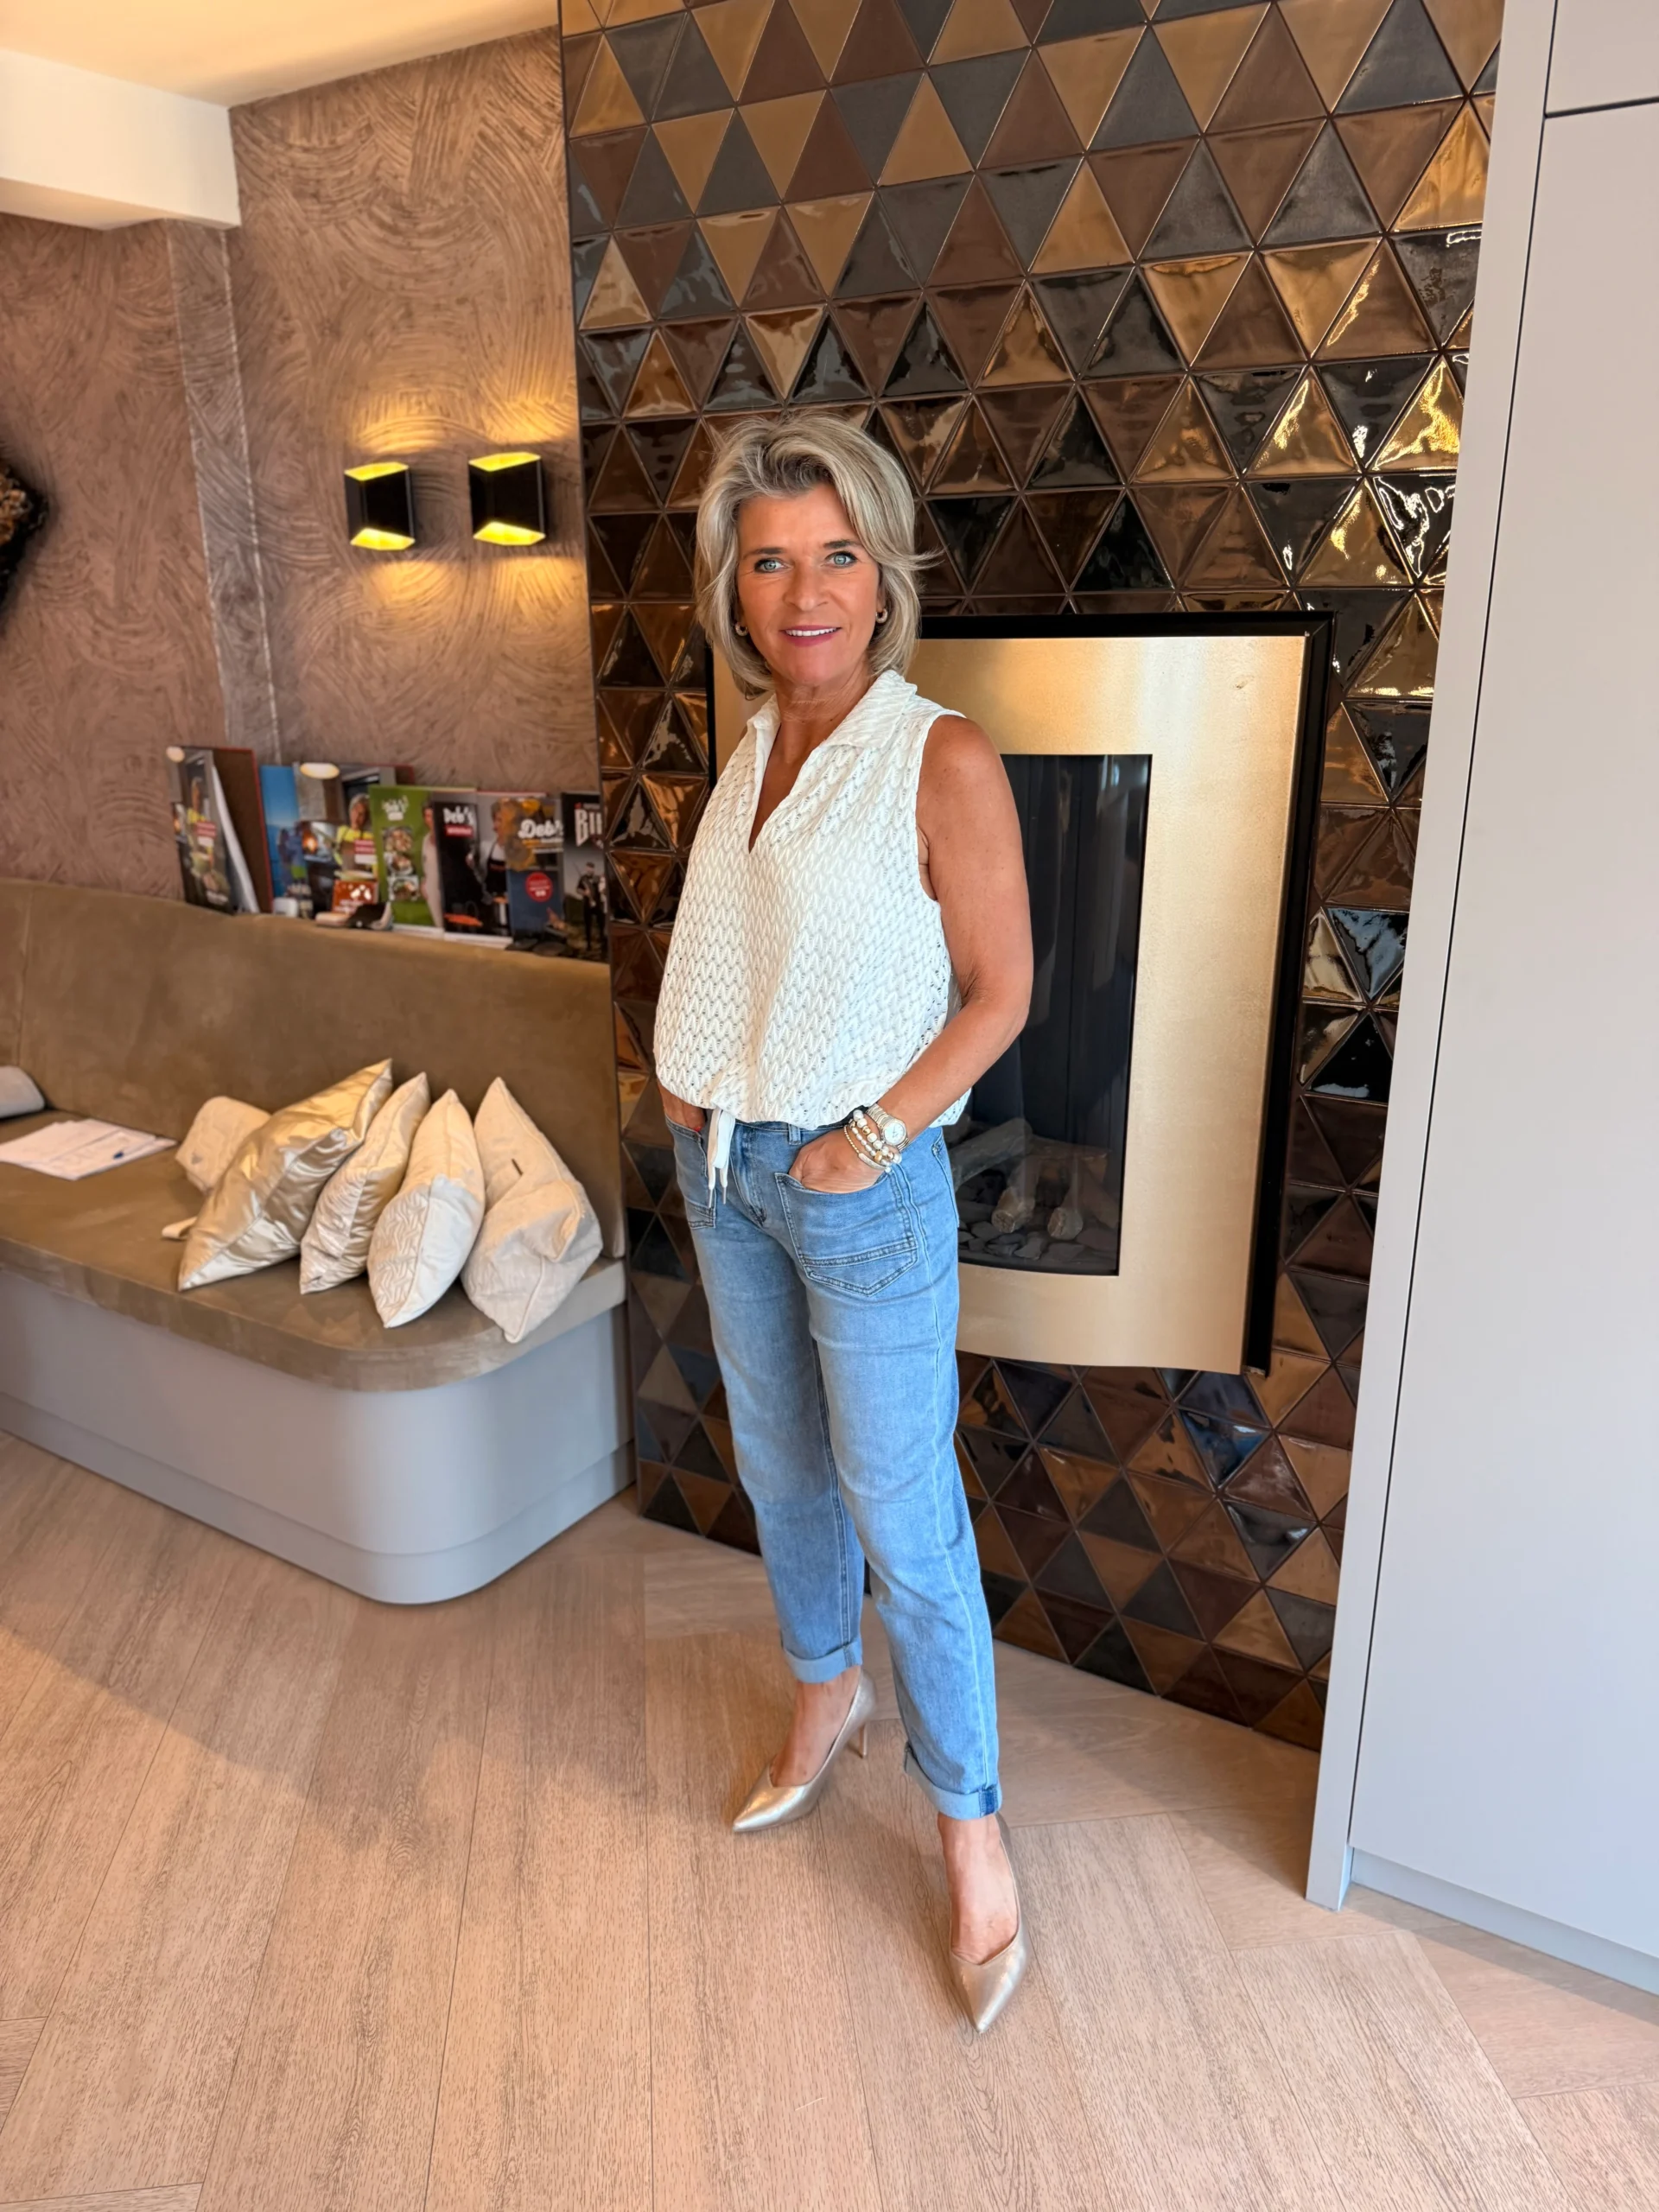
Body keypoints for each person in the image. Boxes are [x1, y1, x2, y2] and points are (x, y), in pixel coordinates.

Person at [653, 417, 1034, 2032]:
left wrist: (872, 1137)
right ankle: (827, 1694)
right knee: (783, 1471)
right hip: (727, 1174)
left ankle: (971, 1831)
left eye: (835, 555)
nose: (804, 591)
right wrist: (688, 1090)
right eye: (769, 561)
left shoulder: (939, 756)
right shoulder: (750, 747)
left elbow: (1000, 993)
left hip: (861, 1185)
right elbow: (745, 958)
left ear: (884, 576)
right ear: (734, 591)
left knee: (904, 1512)